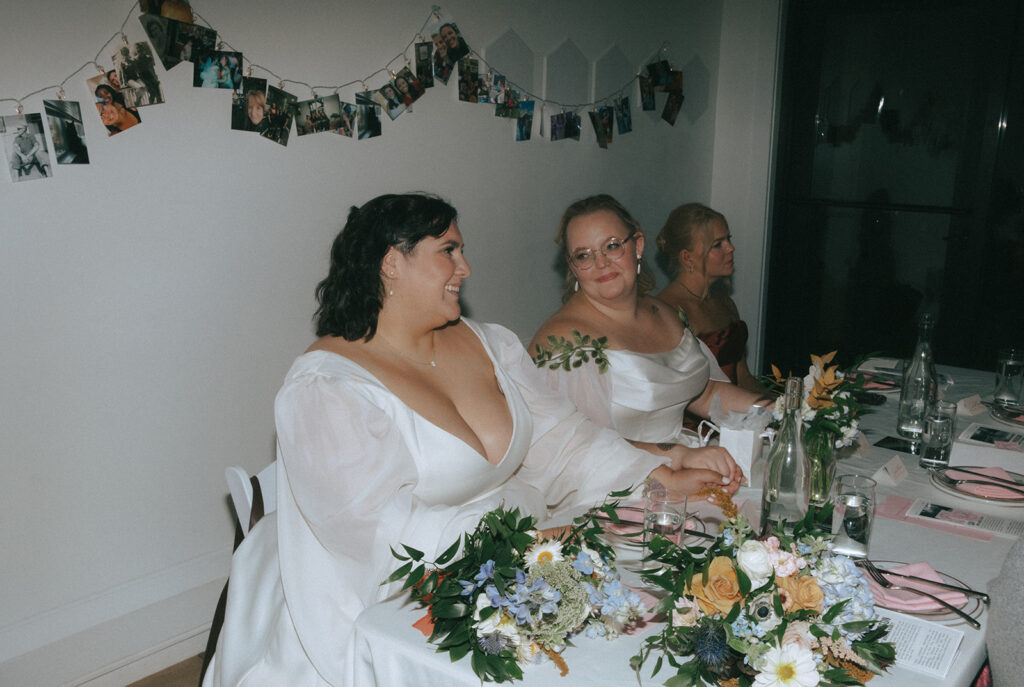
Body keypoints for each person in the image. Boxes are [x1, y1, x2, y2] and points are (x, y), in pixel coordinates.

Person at [202, 193, 722, 687]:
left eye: (462, 250)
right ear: (391, 263)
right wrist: (517, 543)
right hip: (375, 587)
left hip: (508, 550)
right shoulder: (326, 386)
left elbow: (560, 437)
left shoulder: (490, 342)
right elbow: (375, 528)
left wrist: (657, 473)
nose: (465, 268)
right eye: (448, 251)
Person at [532, 195, 773, 496]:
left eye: (612, 245)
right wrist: (676, 456)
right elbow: (577, 448)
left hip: (686, 463)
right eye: (584, 255)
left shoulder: (666, 313)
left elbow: (707, 393)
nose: (601, 263)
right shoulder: (566, 344)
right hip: (619, 490)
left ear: (638, 245)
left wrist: (784, 411)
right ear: (572, 265)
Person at [655, 203, 767, 393]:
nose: (731, 248)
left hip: (735, 414)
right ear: (687, 258)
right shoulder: (667, 311)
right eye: (718, 244)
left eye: (728, 239)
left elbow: (744, 378)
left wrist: (783, 405)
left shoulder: (725, 302)